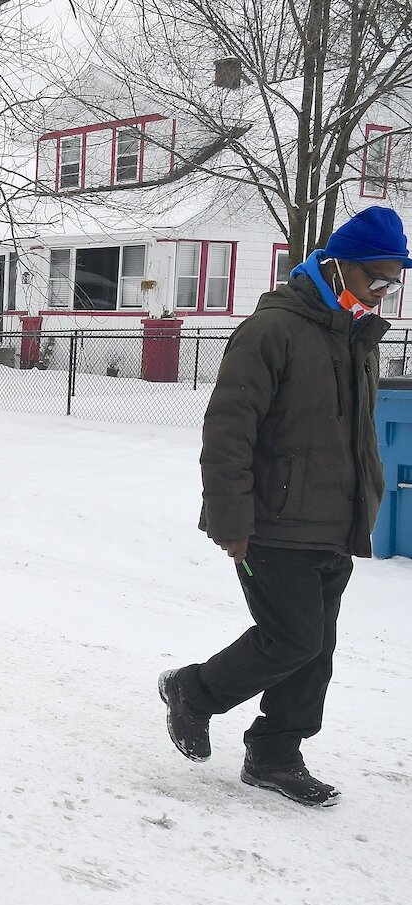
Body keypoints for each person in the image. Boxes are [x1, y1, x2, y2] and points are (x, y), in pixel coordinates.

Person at [158, 207, 402, 806]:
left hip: (332, 523)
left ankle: (274, 753)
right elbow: (228, 430)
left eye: (394, 282)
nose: (384, 291)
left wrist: (361, 507)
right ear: (340, 265)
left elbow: (355, 436)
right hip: (271, 522)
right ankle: (194, 691)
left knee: (316, 651)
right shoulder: (273, 331)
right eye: (377, 278)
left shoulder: (355, 336)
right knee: (291, 638)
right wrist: (230, 517)